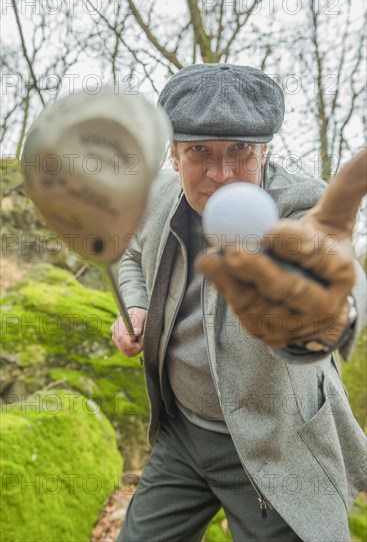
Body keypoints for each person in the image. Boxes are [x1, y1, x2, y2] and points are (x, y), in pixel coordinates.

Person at [111, 63, 366, 542]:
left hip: (274, 445)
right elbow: (132, 253)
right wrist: (137, 304)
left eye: (241, 151)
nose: (221, 174)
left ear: (266, 150)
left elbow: (336, 269)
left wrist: (329, 312)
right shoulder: (158, 197)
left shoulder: (299, 206)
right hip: (181, 433)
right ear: (173, 154)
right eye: (200, 152)